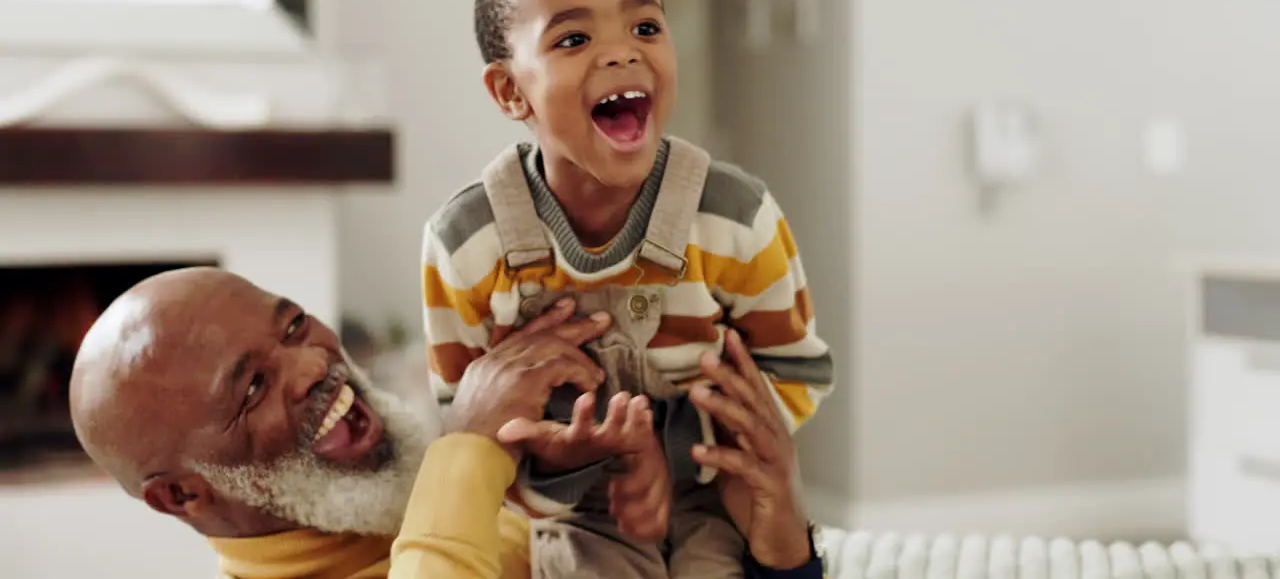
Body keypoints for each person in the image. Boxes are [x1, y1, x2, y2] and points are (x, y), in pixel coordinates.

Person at [421, 0, 835, 576]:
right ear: (509, 90)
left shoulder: (736, 217)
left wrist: (676, 454)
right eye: (574, 37)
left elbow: (797, 374)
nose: (622, 52)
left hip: (712, 496)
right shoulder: (466, 247)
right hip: (578, 514)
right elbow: (469, 433)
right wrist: (564, 462)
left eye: (644, 26)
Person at [68, 267, 823, 578]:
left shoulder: (457, 518)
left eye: (295, 326)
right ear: (181, 496)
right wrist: (468, 448)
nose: (312, 366)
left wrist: (776, 542)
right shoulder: (458, 495)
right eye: (254, 387)